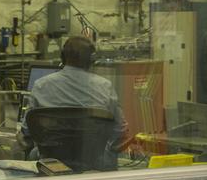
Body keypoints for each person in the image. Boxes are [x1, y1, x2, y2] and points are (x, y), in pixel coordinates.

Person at [20, 36, 128, 166]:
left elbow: (26, 131)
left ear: (62, 57)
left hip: (52, 162)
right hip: (95, 162)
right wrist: (107, 148)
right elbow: (120, 129)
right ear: (91, 60)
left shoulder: (41, 85)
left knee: (30, 154)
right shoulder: (105, 86)